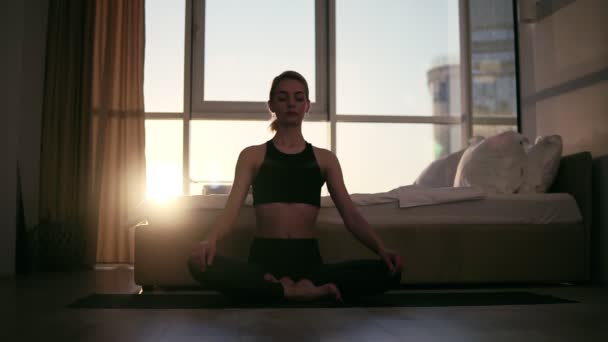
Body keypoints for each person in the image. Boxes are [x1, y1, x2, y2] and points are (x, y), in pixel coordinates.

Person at [188, 70, 403, 303]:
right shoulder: (252, 156)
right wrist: (209, 241)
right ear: (271, 104)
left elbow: (351, 216)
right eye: (283, 98)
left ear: (307, 106)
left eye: (298, 98)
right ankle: (297, 292)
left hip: (308, 264)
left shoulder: (325, 159)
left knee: (390, 271)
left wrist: (382, 249)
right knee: (196, 263)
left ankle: (276, 292)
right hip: (263, 262)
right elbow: (230, 213)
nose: (291, 103)